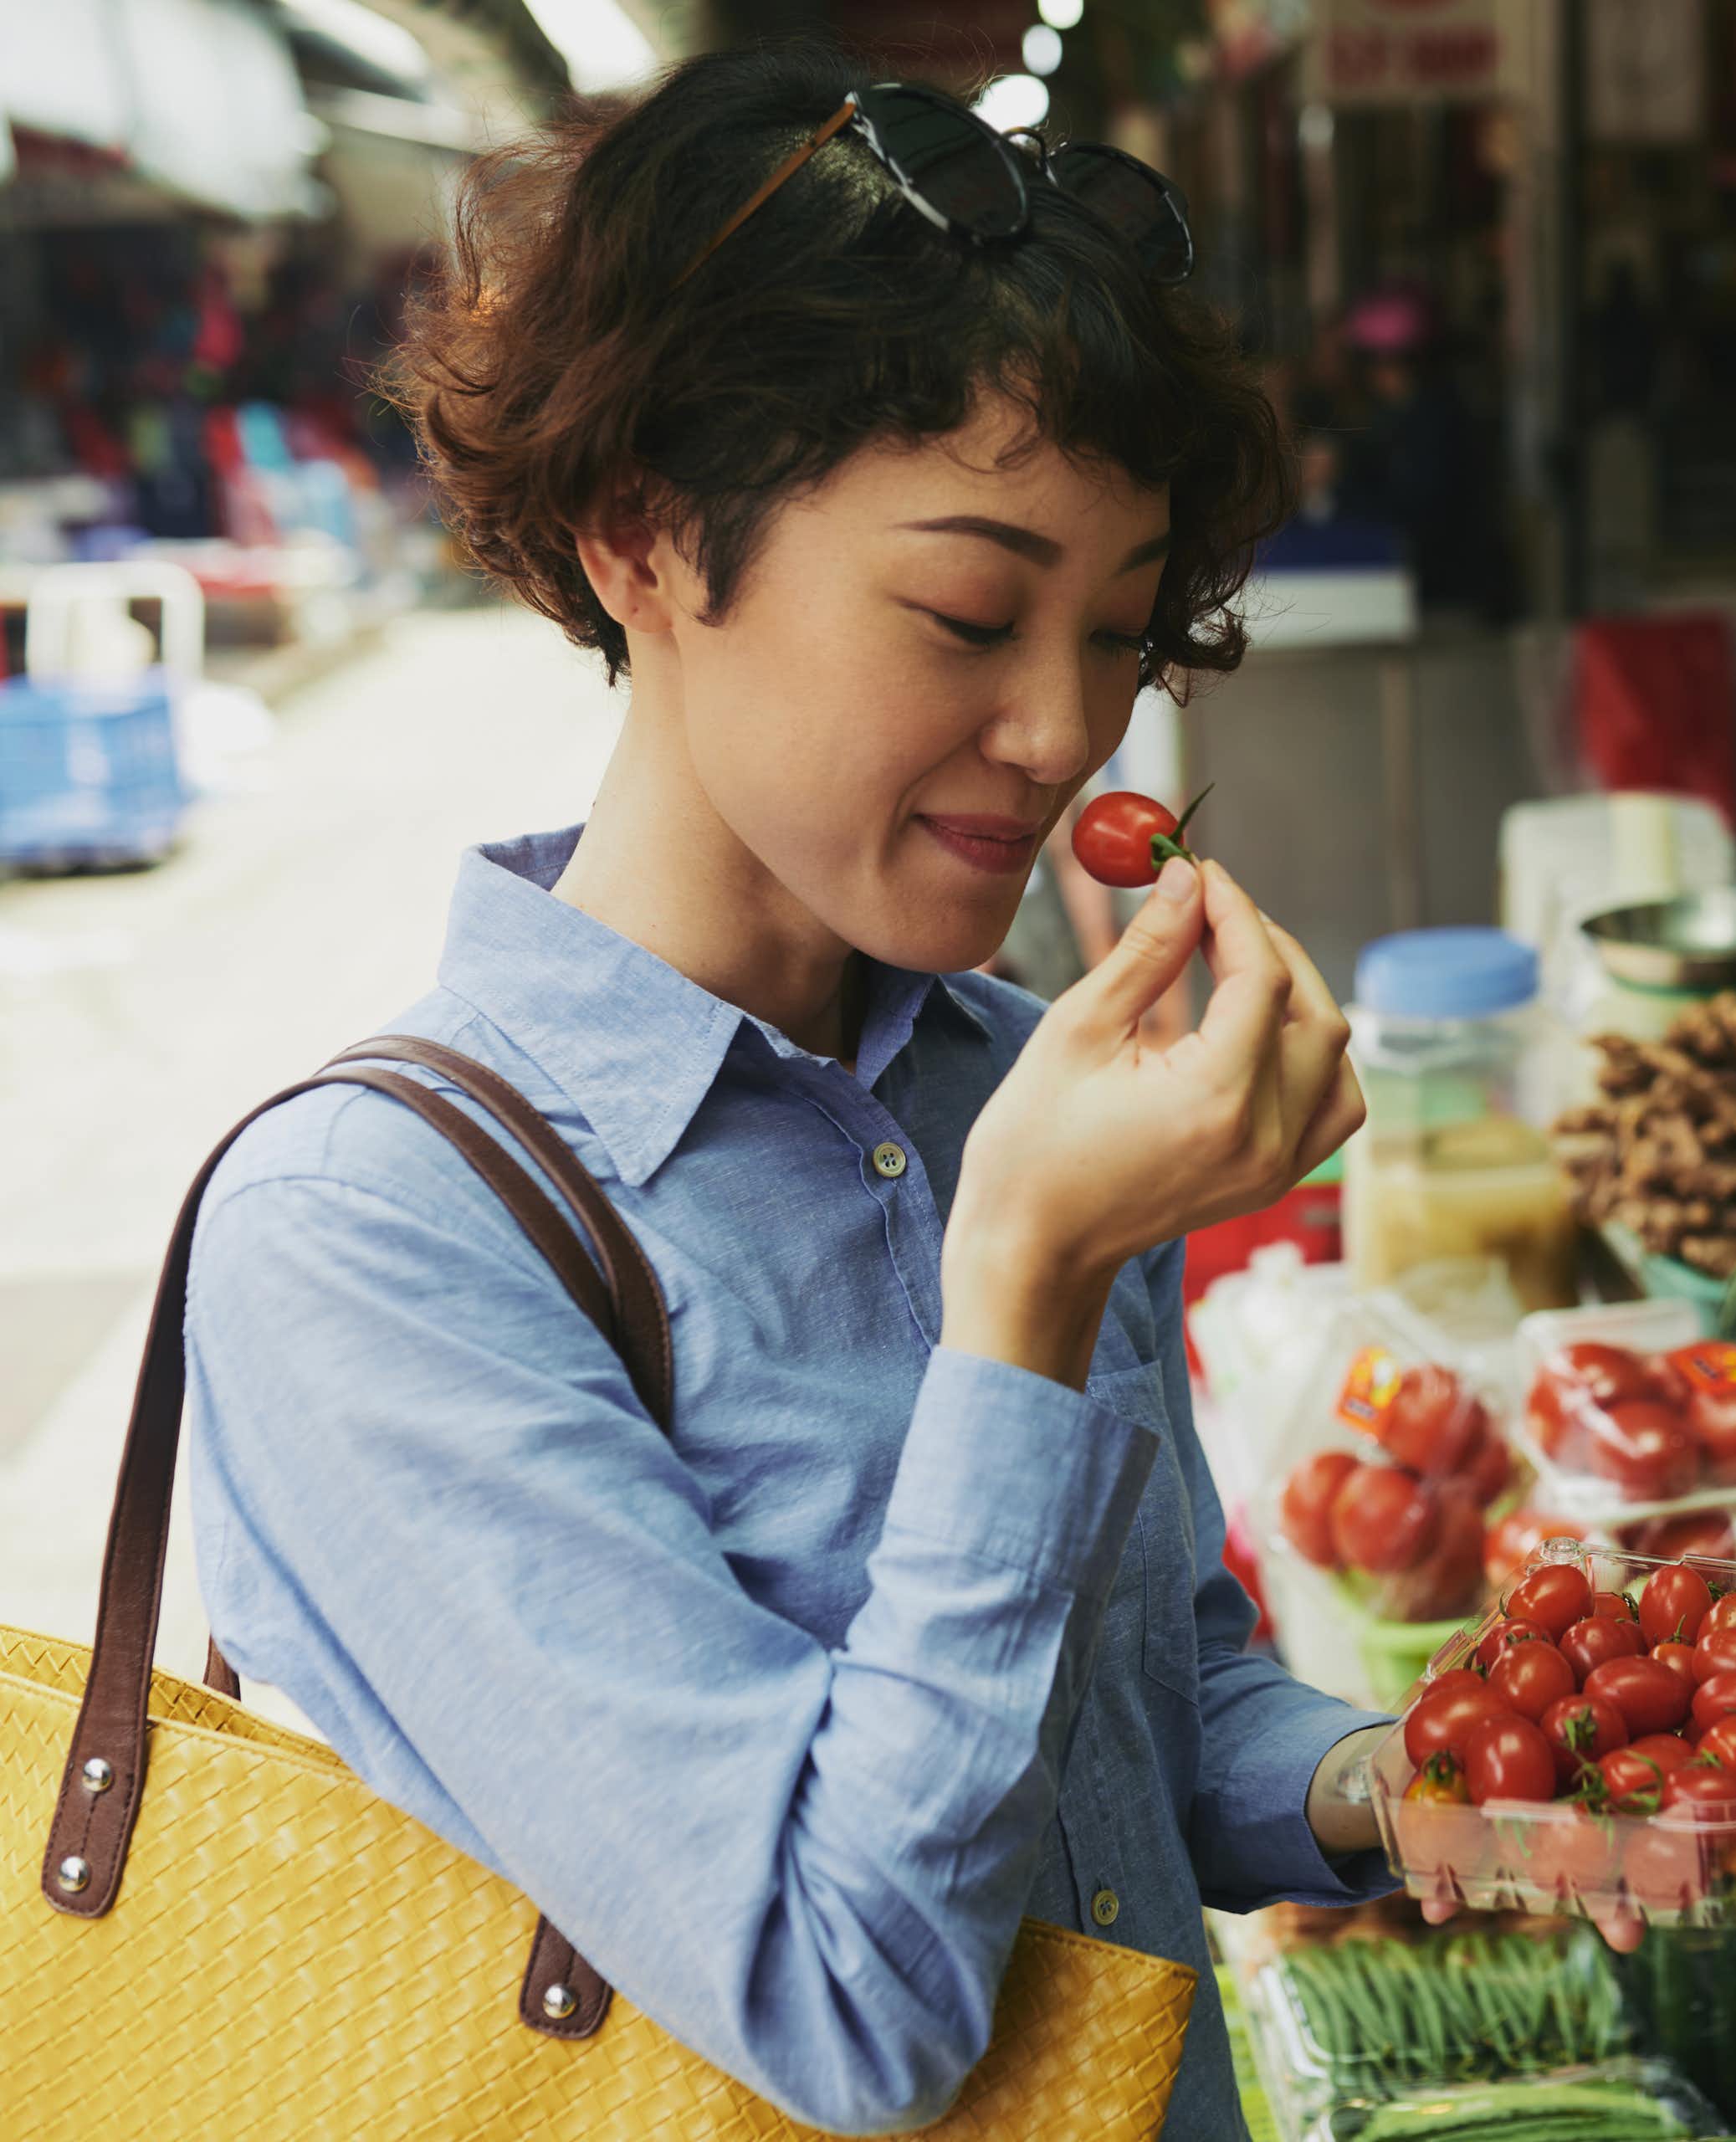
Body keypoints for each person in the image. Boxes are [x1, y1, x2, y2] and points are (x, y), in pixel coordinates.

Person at [182, 44, 1390, 2140]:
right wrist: (1013, 1282)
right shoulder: (367, 1244)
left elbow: (1131, 1712)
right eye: (964, 610)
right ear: (644, 538)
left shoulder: (1009, 1083)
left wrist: (1396, 1778)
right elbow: (845, 2008)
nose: (1060, 733)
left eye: (1117, 632)